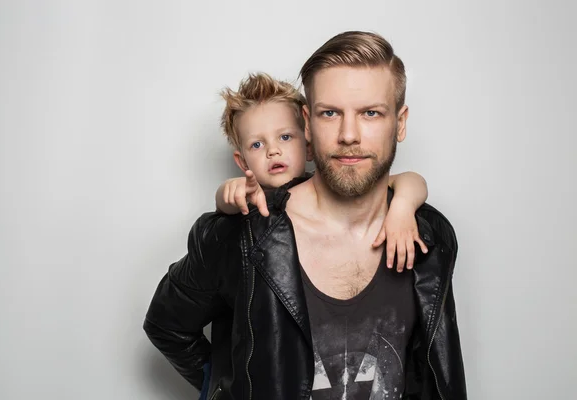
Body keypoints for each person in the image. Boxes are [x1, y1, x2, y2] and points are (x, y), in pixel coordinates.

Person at [144, 31, 466, 400]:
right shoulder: (243, 233)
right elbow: (166, 326)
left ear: (401, 122)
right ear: (307, 122)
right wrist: (225, 389)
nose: (349, 135)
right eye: (330, 113)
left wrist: (406, 204)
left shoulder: (430, 237)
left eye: (371, 113)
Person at [214, 72, 429, 271]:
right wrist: (230, 191)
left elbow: (412, 180)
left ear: (309, 145)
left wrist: (402, 208)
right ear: (243, 163)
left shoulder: (326, 188)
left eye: (285, 137)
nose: (273, 151)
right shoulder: (250, 200)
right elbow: (224, 211)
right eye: (257, 145)